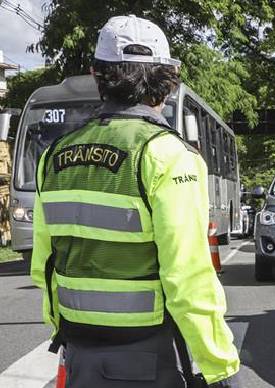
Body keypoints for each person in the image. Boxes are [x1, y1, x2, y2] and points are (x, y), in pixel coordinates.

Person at [30, 15, 239, 387]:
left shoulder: (54, 155)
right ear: (166, 80)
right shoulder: (167, 155)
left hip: (79, 348)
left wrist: (65, 331)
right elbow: (187, 275)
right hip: (148, 354)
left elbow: (44, 262)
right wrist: (217, 365)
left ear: (98, 76)